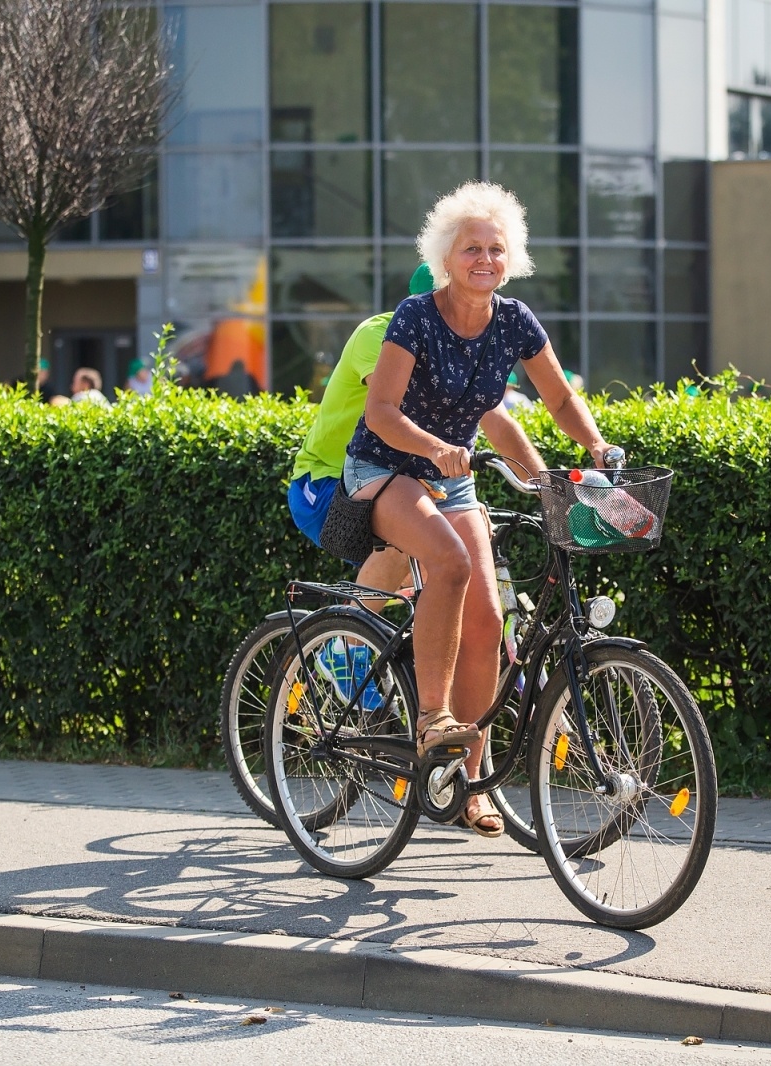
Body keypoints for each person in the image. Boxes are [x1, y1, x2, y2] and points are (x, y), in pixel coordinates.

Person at [345, 181, 615, 836]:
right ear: (447, 255)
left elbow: (557, 399)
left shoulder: (516, 322)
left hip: (451, 480)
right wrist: (436, 446)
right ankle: (431, 718)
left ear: (511, 256)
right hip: (388, 467)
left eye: (496, 249)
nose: (485, 259)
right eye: (472, 248)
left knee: (490, 623)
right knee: (450, 562)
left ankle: (468, 779)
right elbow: (380, 412)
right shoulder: (416, 315)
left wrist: (596, 445)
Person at [288, 260, 547, 837]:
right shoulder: (384, 334)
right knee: (427, 543)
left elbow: (493, 416)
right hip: (336, 481)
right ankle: (350, 636)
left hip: (430, 478)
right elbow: (392, 414)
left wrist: (543, 479)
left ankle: (464, 780)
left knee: (476, 603)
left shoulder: (471, 333)